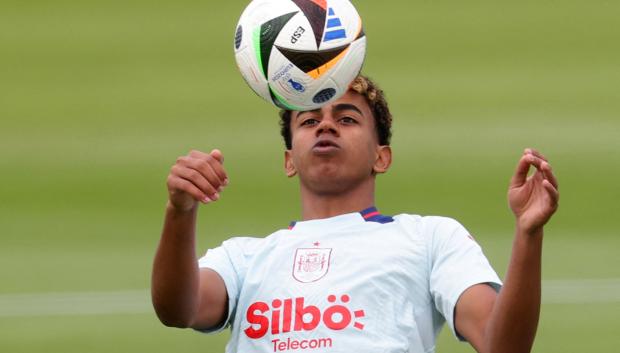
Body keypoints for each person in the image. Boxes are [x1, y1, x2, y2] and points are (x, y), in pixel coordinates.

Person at [151, 75, 559, 353]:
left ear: (381, 157)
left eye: (346, 118)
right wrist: (180, 211)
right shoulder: (243, 258)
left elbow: (500, 344)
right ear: (289, 160)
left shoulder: (430, 239)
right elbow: (178, 309)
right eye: (309, 120)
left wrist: (528, 235)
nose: (326, 127)